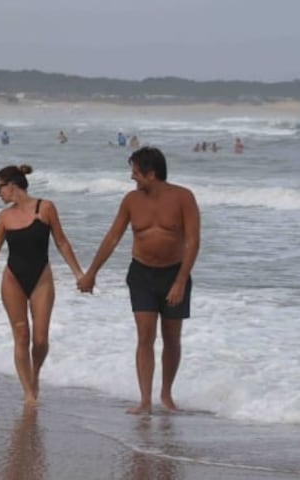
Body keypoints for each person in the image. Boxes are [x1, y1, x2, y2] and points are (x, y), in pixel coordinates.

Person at [77, 146, 200, 415]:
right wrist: (91, 272)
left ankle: (166, 395)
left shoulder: (183, 198)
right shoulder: (131, 201)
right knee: (145, 336)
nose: (132, 177)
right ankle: (145, 400)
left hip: (174, 273)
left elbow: (192, 241)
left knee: (171, 338)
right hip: (141, 273)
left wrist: (180, 281)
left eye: (135, 172)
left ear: (151, 174)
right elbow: (113, 237)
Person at [0, 164, 84, 405]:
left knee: (40, 340)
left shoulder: (45, 208)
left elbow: (62, 243)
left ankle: (36, 373)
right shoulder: (4, 217)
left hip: (41, 279)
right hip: (13, 280)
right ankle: (29, 393)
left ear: (11, 185)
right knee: (21, 335)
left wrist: (78, 274)